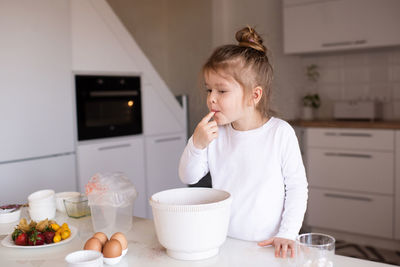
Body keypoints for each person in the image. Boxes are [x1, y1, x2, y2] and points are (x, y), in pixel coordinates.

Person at [178, 26, 308, 258]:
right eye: (209, 90)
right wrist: (196, 145)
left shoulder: (280, 133)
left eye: (221, 91)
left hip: (270, 245)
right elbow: (188, 177)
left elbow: (297, 188)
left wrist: (288, 233)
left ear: (254, 96)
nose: (211, 98)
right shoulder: (214, 133)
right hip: (224, 242)